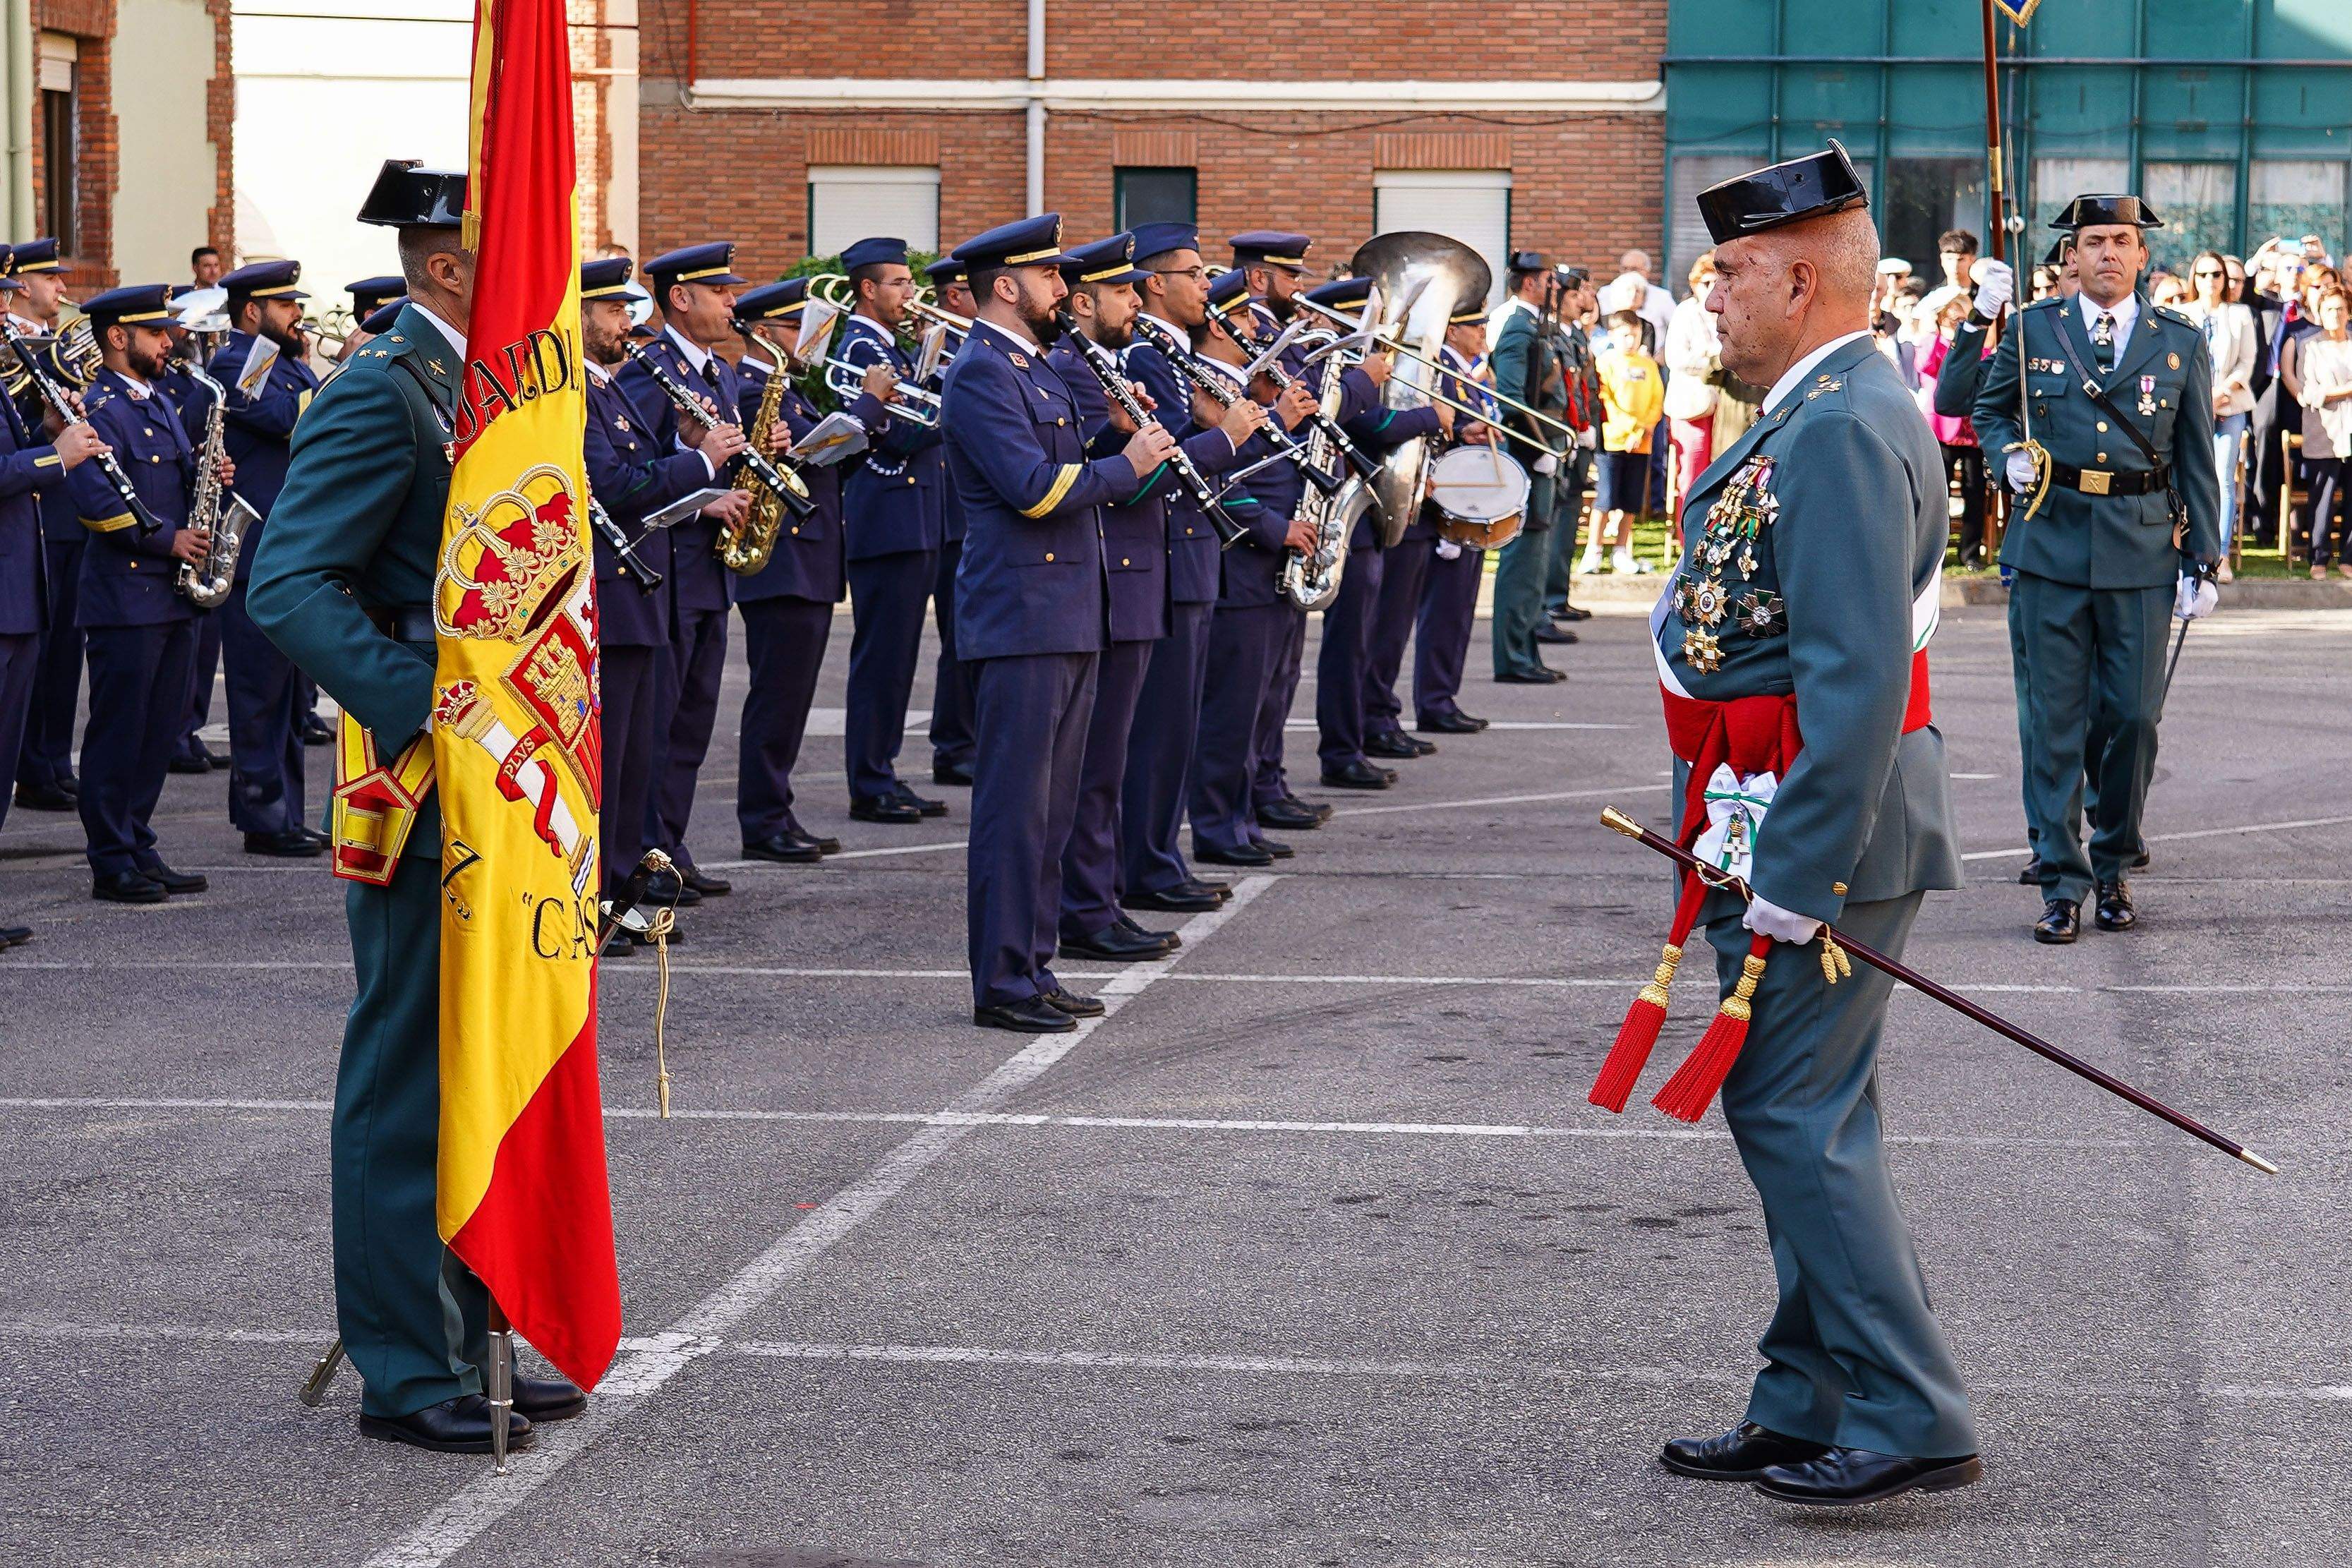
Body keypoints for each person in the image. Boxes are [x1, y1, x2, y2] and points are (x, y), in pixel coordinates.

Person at [1636, 141, 1978, 1509]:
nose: (1706, 293)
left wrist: (1792, 869)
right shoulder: (1815, 404)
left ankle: (1909, 1409)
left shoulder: (1835, 420)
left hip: (1816, 835)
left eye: (1724, 271)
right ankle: (1809, 1394)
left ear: (1794, 274)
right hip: (1779, 818)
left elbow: (1851, 674)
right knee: (1807, 1110)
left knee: (1789, 1107)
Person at [246, 159, 585, 1452]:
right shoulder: (382, 391)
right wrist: (424, 703)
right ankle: (406, 1360)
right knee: (406, 1068)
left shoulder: (483, 382)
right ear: (446, 266)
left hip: (510, 769)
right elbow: (289, 585)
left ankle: (475, 1327)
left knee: (486, 1052)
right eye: (511, 249)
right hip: (430, 777)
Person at [935, 212, 1176, 1033]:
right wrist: (1124, 462)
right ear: (1007, 286)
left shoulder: (1032, 367)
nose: (1063, 292)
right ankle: (1001, 980)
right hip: (1022, 616)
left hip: (1067, 614)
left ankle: (1034, 965)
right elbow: (1034, 488)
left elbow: (1073, 475)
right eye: (1047, 279)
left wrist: (1117, 438)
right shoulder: (981, 371)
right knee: (1013, 809)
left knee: (1052, 808)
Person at [1973, 192, 2223, 943]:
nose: (2107, 252)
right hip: (2049, 545)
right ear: (2071, 256)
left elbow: (2196, 456)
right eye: (2093, 241)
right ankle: (2062, 879)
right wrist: (2005, 456)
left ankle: (2113, 859)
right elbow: (1984, 409)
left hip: (2143, 551)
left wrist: (2203, 557)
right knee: (2051, 723)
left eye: (2121, 240)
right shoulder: (2030, 332)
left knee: (2134, 721)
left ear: (2142, 255)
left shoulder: (2179, 341)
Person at [1047, 232, 1251, 959]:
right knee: (1103, 761)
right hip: (1118, 571)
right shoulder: (1075, 370)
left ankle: (1102, 896)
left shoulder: (1101, 365)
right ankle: (1091, 903)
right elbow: (1123, 477)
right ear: (1083, 299)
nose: (1135, 302)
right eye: (1124, 291)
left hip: (1140, 571)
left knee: (1118, 755)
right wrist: (1219, 438)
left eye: (1139, 289)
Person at [582, 254, 746, 926]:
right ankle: (603, 898)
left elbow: (642, 469)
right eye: (615, 311)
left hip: (645, 589)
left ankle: (623, 889)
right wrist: (700, 462)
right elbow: (614, 485)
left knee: (634, 756)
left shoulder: (614, 387)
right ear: (579, 316)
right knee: (615, 757)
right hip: (620, 591)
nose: (628, 323)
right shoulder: (581, 393)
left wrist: (686, 453)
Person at [64, 284, 229, 905]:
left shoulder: (157, 398)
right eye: (157, 333)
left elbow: (175, 475)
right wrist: (168, 542)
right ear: (118, 337)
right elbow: (97, 506)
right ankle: (111, 857)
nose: (169, 342)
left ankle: (137, 840)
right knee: (120, 730)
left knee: (159, 728)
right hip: (127, 594)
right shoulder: (100, 408)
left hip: (172, 597)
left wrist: (210, 476)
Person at [730, 277, 894, 864]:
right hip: (784, 563)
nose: (810, 341)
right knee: (777, 697)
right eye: (799, 328)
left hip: (807, 558)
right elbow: (804, 452)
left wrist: (864, 424)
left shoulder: (787, 391)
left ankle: (775, 811)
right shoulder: (752, 388)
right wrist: (869, 404)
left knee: (790, 698)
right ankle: (763, 819)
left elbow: (825, 459)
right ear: (767, 333)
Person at [617, 240, 762, 905]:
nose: (734, 302)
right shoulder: (650, 373)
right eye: (722, 291)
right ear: (682, 298)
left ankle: (669, 844)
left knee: (694, 721)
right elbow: (640, 480)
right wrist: (709, 497)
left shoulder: (721, 373)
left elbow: (708, 458)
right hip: (670, 564)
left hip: (712, 571)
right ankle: (644, 852)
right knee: (659, 723)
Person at [1118, 220, 1254, 913]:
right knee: (1160, 727)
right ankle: (1145, 861)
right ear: (1154, 285)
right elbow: (1167, 460)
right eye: (1196, 274)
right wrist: (1226, 436)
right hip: (1167, 557)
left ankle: (1158, 855)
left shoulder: (1168, 354)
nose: (1209, 285)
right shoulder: (1146, 355)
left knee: (1175, 727)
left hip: (1190, 555)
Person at [1186, 267, 1317, 866]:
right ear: (1218, 326)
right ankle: (1217, 825)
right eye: (1242, 319)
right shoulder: (1209, 385)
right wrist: (1275, 529)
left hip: (1268, 566)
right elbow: (1221, 479)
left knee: (1261, 702)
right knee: (1231, 711)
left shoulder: (1241, 384)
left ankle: (1239, 816)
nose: (1254, 330)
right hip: (1239, 565)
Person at [204, 258, 327, 858]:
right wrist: (335, 381)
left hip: (289, 548)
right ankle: (262, 814)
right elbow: (284, 419)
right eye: (286, 306)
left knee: (288, 697)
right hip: (255, 552)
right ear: (254, 311)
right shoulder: (236, 362)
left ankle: (285, 812)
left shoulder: (285, 364)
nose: (297, 315)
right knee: (257, 694)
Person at [0, 241, 104, 943]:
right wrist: (53, 455)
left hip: (17, 592)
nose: (8, 310)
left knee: (3, 761)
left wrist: (45, 425)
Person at [834, 236, 950, 826]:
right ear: (868, 289)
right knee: (881, 659)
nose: (912, 293)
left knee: (900, 658)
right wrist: (949, 398)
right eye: (900, 284)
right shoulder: (859, 346)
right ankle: (869, 781)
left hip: (915, 517)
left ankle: (882, 770)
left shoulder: (893, 348)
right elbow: (897, 434)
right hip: (887, 518)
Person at [10, 237, 90, 814]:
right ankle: (39, 768)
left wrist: (46, 429)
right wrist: (53, 454)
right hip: (24, 546)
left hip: (37, 542)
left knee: (56, 663)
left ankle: (48, 763)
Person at [1409, 302, 1498, 733]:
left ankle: (1443, 697)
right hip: (1444, 506)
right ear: (1451, 330)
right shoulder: (1442, 369)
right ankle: (1434, 701)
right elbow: (1434, 439)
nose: (1483, 330)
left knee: (1458, 610)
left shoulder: (1469, 369)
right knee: (1443, 612)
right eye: (1474, 324)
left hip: (1468, 504)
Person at [1488, 251, 1569, 681]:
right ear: (1532, 284)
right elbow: (1512, 399)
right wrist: (1536, 446)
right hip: (1529, 457)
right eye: (1550, 280)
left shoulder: (1537, 326)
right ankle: (1513, 658)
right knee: (1523, 561)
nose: (1557, 288)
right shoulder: (1518, 328)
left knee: (1536, 562)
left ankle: (1527, 653)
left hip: (1545, 454)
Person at [923, 254, 978, 788]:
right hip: (946, 516)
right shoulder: (942, 352)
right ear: (956, 298)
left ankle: (963, 740)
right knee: (958, 639)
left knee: (967, 638)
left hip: (958, 515)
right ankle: (954, 744)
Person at [2180, 250, 2257, 562]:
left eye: (2216, 274)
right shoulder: (2183, 313)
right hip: (2191, 408)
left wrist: (2221, 392)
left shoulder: (2239, 314)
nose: (2210, 281)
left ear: (2225, 279)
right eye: (2203, 274)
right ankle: (2188, 550)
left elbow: (2247, 361)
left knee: (2223, 478)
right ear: (2194, 278)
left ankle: (2220, 554)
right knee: (2189, 476)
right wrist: (2202, 397)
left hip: (2229, 405)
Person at [1579, 308, 1663, 574]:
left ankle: (1621, 550)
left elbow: (1656, 400)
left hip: (1642, 443)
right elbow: (1606, 400)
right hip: (1613, 441)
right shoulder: (1605, 363)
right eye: (1625, 334)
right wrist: (1628, 429)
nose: (1631, 340)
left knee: (1631, 500)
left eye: (1635, 335)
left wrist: (1643, 430)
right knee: (1605, 498)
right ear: (1613, 334)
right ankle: (1594, 550)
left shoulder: (1648, 366)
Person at [1540, 266, 1600, 630]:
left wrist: (1587, 428)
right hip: (1560, 436)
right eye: (1576, 294)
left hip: (1578, 435)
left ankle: (1557, 596)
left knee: (1567, 521)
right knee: (1555, 521)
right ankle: (1547, 601)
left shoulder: (1574, 334)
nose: (1583, 300)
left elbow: (1584, 387)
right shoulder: (1549, 334)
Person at [1918, 291, 1989, 567]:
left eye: (1963, 315)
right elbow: (1924, 365)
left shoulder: (1976, 347)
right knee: (1938, 495)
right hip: (1941, 430)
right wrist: (1939, 335)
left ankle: (1970, 552)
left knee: (1975, 492)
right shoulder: (1933, 343)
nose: (1958, 319)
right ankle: (1934, 551)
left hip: (1971, 432)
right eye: (1953, 314)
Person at [1662, 251, 1723, 540]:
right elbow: (1675, 358)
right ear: (1695, 284)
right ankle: (1689, 538)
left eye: (1718, 282)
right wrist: (1712, 358)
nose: (1712, 289)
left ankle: (1714, 537)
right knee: (1692, 475)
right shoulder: (1685, 312)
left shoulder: (1726, 310)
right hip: (1692, 406)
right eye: (1706, 283)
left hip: (1724, 407)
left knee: (1721, 473)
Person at [2294, 287, 2352, 577]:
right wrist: (2347, 390)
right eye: (2329, 309)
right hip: (2324, 431)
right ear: (2320, 313)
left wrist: (2336, 393)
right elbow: (2311, 392)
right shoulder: (2310, 346)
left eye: (2340, 309)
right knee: (2323, 498)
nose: (2335, 315)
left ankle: (2349, 559)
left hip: (2351, 432)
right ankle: (2318, 558)